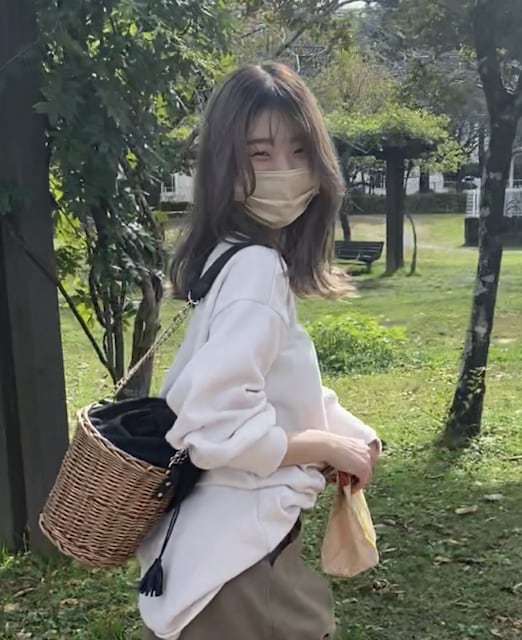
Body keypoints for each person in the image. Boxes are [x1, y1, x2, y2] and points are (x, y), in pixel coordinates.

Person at [138, 62, 381, 640]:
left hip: (215, 553)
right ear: (225, 165)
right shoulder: (255, 267)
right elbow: (214, 423)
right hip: (240, 561)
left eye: (300, 151)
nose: (286, 172)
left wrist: (347, 431)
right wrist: (325, 446)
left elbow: (270, 377)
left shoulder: (230, 255)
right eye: (260, 154)